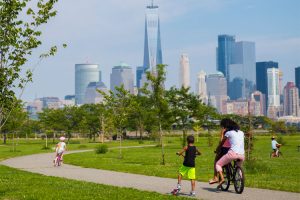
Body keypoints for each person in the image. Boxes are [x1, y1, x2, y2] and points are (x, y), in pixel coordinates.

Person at [215, 119, 245, 188]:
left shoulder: (228, 133)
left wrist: (217, 150)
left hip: (232, 154)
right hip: (242, 155)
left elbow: (222, 143)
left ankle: (222, 179)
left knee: (218, 164)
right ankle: (240, 180)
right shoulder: (241, 132)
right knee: (239, 166)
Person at [209, 118, 231, 184]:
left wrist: (221, 134)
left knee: (216, 160)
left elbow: (221, 142)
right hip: (233, 149)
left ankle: (215, 177)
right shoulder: (233, 130)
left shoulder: (224, 131)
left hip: (224, 149)